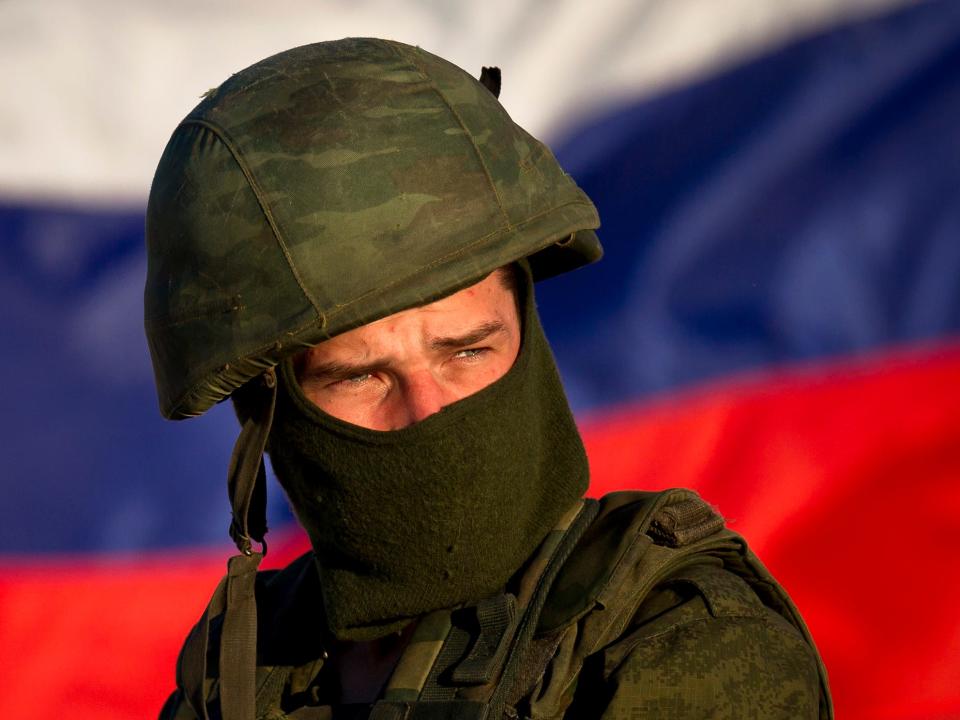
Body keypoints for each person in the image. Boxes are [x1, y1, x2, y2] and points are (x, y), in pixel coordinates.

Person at [145, 38, 832, 719]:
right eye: (360, 377)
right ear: (267, 411)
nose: (430, 411)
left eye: (468, 351)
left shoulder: (682, 643)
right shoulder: (248, 667)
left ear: (525, 335)